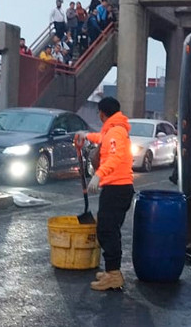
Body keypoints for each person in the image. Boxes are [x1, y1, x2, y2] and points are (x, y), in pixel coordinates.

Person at [74, 97, 134, 291]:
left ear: (101, 112)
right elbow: (103, 139)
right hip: (116, 187)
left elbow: (116, 156)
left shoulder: (115, 130)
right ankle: (111, 271)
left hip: (117, 188)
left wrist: (98, 175)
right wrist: (87, 135)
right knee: (108, 228)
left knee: (108, 230)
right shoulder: (113, 129)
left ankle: (114, 275)